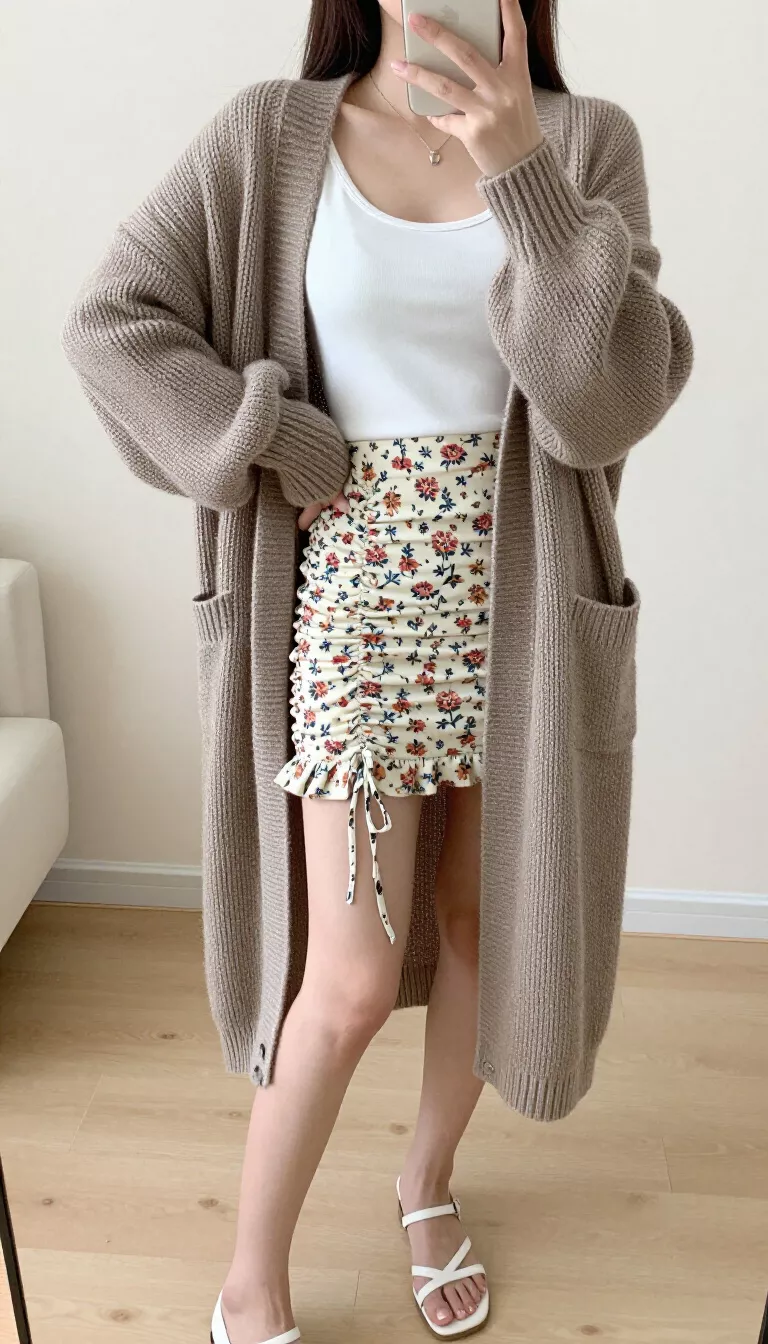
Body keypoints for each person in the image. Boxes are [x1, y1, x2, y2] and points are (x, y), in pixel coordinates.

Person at [60, 1, 694, 1340]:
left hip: (521, 607)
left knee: (480, 926)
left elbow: (606, 398)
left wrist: (520, 165)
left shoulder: (587, 147)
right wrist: (264, 432)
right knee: (347, 978)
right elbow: (113, 324)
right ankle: (250, 1277)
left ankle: (424, 1182)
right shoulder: (268, 137)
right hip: (351, 613)